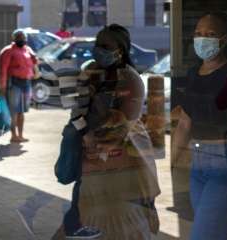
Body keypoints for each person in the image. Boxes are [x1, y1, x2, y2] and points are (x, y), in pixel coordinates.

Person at [53, 24, 160, 240]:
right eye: (97, 44)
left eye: (105, 45)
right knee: (82, 214)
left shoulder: (130, 79)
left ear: (120, 50)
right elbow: (77, 109)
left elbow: (123, 127)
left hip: (121, 163)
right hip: (93, 161)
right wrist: (84, 132)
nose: (98, 49)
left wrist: (94, 138)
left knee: (116, 223)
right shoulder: (90, 71)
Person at [172, 12, 227, 240]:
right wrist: (172, 161)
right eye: (198, 33)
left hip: (226, 162)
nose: (203, 39)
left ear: (224, 40)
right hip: (197, 161)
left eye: (210, 34)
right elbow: (184, 122)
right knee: (214, 231)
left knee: (205, 235)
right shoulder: (193, 73)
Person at [0, 29, 37, 143]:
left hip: (26, 83)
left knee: (22, 111)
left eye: (23, 37)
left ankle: (20, 135)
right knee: (14, 110)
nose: (22, 39)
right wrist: (3, 85)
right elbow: (3, 69)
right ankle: (13, 135)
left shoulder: (27, 50)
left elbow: (34, 63)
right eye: (19, 37)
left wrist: (34, 57)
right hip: (14, 83)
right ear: (14, 39)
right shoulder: (8, 51)